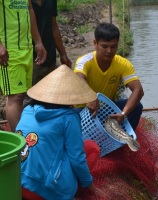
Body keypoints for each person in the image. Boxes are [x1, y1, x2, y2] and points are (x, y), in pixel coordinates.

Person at [16, 65, 102, 200]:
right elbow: (77, 158)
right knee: (92, 147)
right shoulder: (69, 117)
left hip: (16, 183)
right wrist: (91, 187)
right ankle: (70, 191)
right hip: (42, 192)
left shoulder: (27, 109)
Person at [74, 22, 144, 131]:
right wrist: (90, 96)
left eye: (113, 47)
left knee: (137, 106)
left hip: (106, 109)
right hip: (82, 109)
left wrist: (123, 113)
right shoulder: (85, 61)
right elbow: (78, 77)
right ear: (95, 44)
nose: (109, 51)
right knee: (71, 116)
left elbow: (138, 90)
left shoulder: (123, 64)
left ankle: (124, 142)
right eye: (104, 46)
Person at [0, 0, 47, 132]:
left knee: (24, 95)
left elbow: (30, 9)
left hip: (26, 49)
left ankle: (23, 136)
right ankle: (20, 142)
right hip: (9, 51)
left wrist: (38, 41)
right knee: (16, 97)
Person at [31, 0, 72, 86]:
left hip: (50, 57)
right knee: (29, 96)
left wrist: (63, 54)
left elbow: (53, 25)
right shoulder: (22, 3)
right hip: (31, 59)